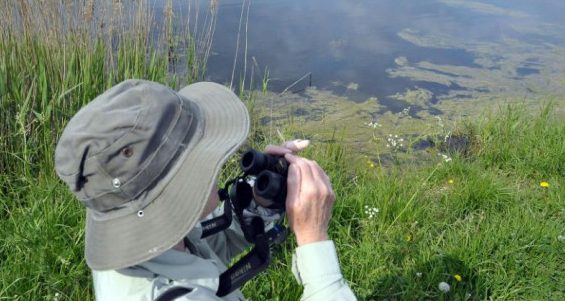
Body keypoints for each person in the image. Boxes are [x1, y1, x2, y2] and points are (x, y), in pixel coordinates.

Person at [55, 79, 357, 300]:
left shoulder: (136, 223)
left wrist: (260, 200)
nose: (217, 159)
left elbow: (206, 252)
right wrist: (314, 240)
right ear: (170, 189)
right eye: (200, 153)